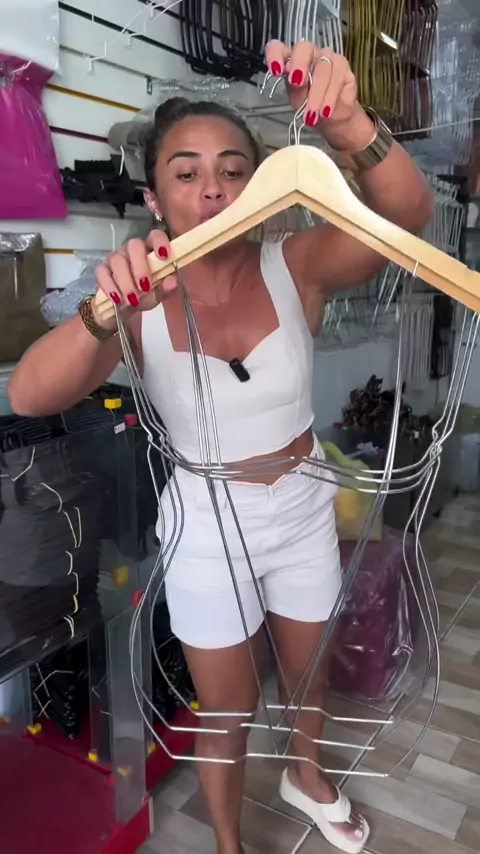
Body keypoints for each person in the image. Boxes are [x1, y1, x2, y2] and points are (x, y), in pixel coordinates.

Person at [9, 41, 433, 854]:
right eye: (188, 172)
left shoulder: (295, 264)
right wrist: (106, 310)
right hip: (206, 520)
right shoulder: (136, 300)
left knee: (308, 672)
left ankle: (305, 776)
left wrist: (349, 123)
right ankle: (229, 845)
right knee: (228, 710)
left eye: (234, 170)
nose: (213, 188)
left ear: (261, 185)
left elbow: (407, 217)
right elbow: (29, 394)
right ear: (155, 198)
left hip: (302, 499)